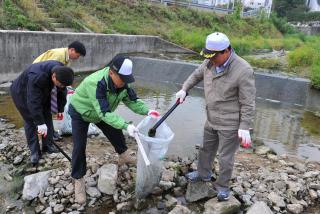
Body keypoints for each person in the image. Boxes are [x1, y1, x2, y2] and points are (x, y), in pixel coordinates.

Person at [69, 55, 160, 204]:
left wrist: (147, 111)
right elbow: (104, 113)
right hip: (81, 112)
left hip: (101, 113)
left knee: (115, 131)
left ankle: (123, 155)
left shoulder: (124, 83)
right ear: (111, 72)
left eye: (126, 79)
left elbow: (133, 101)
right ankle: (78, 180)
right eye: (122, 78)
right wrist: (126, 125)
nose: (124, 82)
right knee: (79, 146)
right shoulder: (96, 83)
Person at [175, 32, 256, 201]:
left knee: (226, 157)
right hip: (211, 117)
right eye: (208, 56)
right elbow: (196, 75)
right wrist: (184, 89)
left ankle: (223, 187)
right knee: (206, 148)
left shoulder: (243, 70)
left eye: (214, 56)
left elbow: (248, 102)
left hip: (230, 122)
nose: (210, 60)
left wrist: (244, 126)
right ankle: (203, 173)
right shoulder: (209, 61)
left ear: (226, 51)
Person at [10, 61, 74, 164]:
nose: (62, 86)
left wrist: (60, 109)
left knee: (47, 114)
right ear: (53, 77)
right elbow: (33, 102)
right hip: (21, 92)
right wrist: (39, 123)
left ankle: (47, 146)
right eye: (61, 84)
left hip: (42, 89)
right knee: (30, 120)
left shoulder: (62, 71)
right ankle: (35, 152)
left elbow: (62, 91)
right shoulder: (38, 76)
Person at [33, 41, 86, 142]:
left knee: (49, 108)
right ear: (72, 50)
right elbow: (52, 75)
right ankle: (45, 132)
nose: (77, 58)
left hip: (44, 80)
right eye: (77, 55)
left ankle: (50, 132)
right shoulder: (59, 56)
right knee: (44, 107)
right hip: (38, 80)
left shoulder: (65, 57)